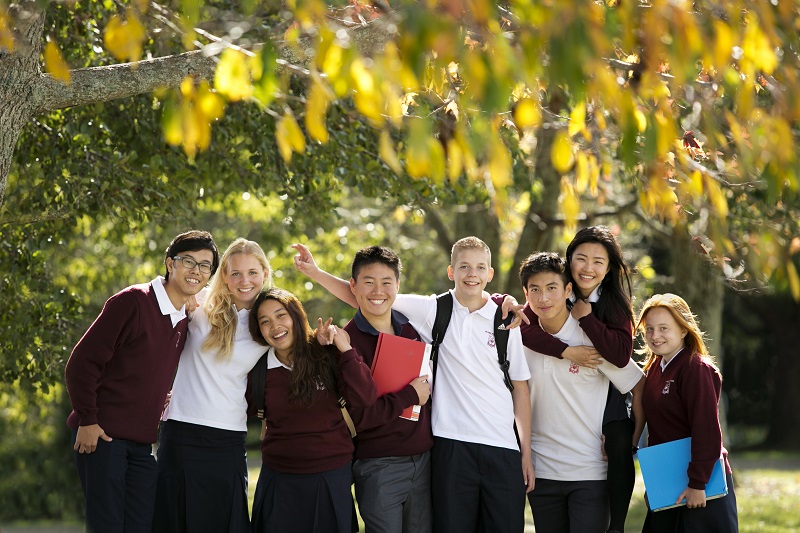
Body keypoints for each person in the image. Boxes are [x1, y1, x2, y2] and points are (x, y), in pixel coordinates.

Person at [293, 237, 534, 533]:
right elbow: (370, 296)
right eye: (464, 266)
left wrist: (526, 452)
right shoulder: (433, 310)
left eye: (480, 267)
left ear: (490, 273)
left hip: (501, 446)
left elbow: (520, 389)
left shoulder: (506, 320)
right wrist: (315, 273)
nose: (472, 273)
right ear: (451, 271)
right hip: (449, 443)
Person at [65, 230, 219, 533]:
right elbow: (81, 364)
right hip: (101, 436)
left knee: (140, 525)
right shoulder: (133, 302)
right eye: (189, 261)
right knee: (108, 526)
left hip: (142, 444)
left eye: (205, 266)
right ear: (169, 263)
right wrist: (88, 420)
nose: (196, 271)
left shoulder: (184, 318)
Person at [508, 226, 645, 533]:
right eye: (581, 259)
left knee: (619, 443)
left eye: (598, 261)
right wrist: (566, 351)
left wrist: (586, 320)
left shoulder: (612, 304)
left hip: (604, 396)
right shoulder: (537, 311)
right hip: (544, 470)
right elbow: (525, 321)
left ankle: (618, 526)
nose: (588, 268)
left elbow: (622, 357)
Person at [153, 238, 271, 533]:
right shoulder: (199, 301)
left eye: (253, 273)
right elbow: (155, 303)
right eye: (235, 273)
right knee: (174, 520)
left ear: (265, 274)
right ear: (224, 277)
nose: (245, 281)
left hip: (227, 438)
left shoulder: (270, 318)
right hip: (181, 430)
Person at [248, 288, 378, 533]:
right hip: (278, 480)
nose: (274, 326)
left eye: (280, 315)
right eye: (265, 321)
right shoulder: (258, 370)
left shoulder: (327, 353)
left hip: (330, 478)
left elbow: (365, 396)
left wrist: (344, 348)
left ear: (296, 316)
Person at [332, 245, 433, 533]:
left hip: (424, 462)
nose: (378, 290)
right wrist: (411, 395)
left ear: (397, 286)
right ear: (353, 286)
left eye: (387, 282)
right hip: (379, 466)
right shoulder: (345, 343)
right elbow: (361, 416)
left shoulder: (411, 330)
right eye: (368, 282)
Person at [637, 293, 738, 533]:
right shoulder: (653, 369)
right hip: (670, 483)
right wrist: (656, 483)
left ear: (683, 330)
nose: (655, 335)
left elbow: (707, 430)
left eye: (664, 328)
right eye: (649, 329)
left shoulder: (696, 368)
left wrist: (698, 483)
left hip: (702, 487)